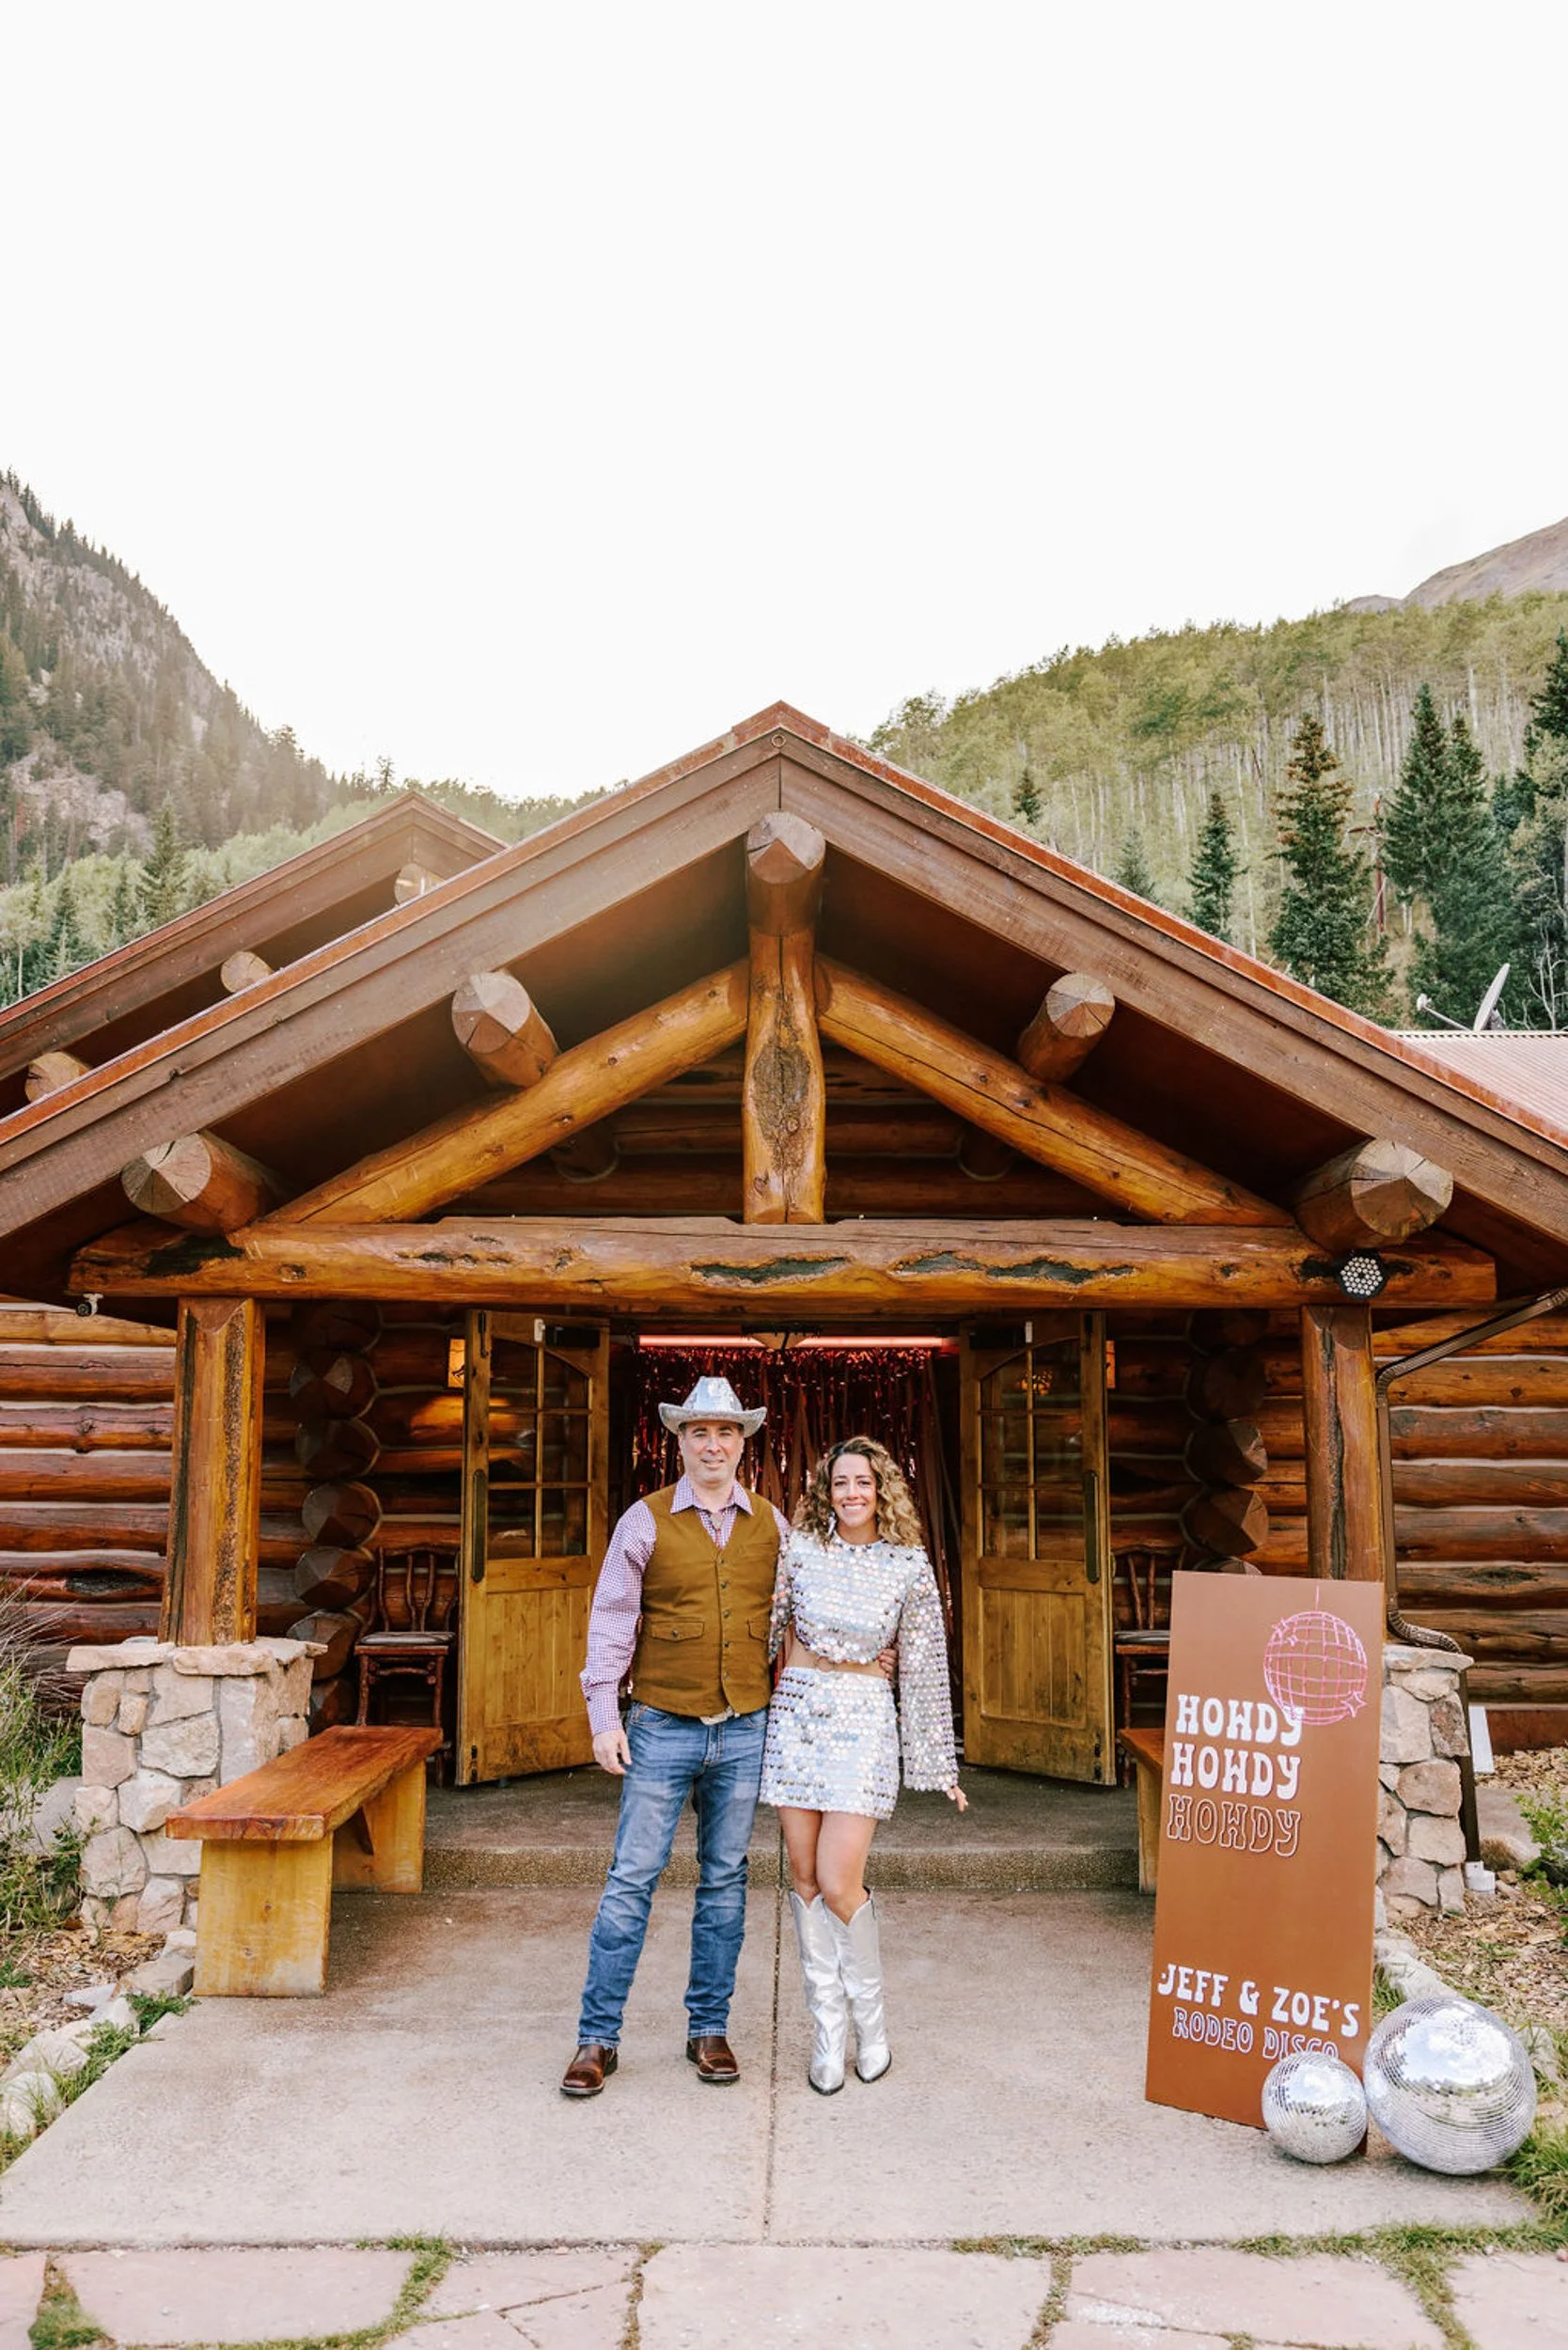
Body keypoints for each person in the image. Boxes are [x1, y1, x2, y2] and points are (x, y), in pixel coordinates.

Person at [560, 1375, 792, 2099]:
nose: (713, 1444)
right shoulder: (645, 1520)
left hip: (746, 1726)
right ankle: (598, 2039)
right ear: (680, 1441)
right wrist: (604, 1719)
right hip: (660, 1724)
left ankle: (708, 2029)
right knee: (631, 1881)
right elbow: (610, 1622)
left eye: (726, 1432)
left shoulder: (773, 1524)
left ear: (743, 1442)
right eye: (700, 1432)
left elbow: (793, 1616)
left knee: (726, 1881)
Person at [761, 1434, 965, 2095]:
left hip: (863, 1720)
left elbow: (925, 1664)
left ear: (882, 1491)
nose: (852, 1493)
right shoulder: (799, 1550)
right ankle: (829, 2034)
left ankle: (871, 2025)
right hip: (796, 1716)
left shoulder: (906, 1565)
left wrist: (939, 1762)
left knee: (839, 1880)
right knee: (804, 1878)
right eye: (841, 1482)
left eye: (864, 1482)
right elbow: (769, 1631)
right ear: (827, 1490)